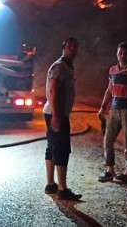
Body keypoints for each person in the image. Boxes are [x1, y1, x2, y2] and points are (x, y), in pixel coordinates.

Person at [97, 42, 127, 184]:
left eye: (126, 53)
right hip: (114, 109)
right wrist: (102, 107)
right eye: (120, 53)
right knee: (108, 139)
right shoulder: (112, 70)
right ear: (117, 54)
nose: (123, 55)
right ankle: (110, 170)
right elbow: (109, 90)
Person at [43, 37, 82, 201]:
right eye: (69, 46)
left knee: (52, 147)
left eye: (75, 46)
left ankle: (51, 184)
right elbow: (54, 91)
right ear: (63, 48)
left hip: (53, 112)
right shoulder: (60, 67)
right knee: (62, 149)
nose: (73, 49)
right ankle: (62, 189)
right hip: (56, 114)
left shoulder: (66, 66)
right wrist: (57, 116)